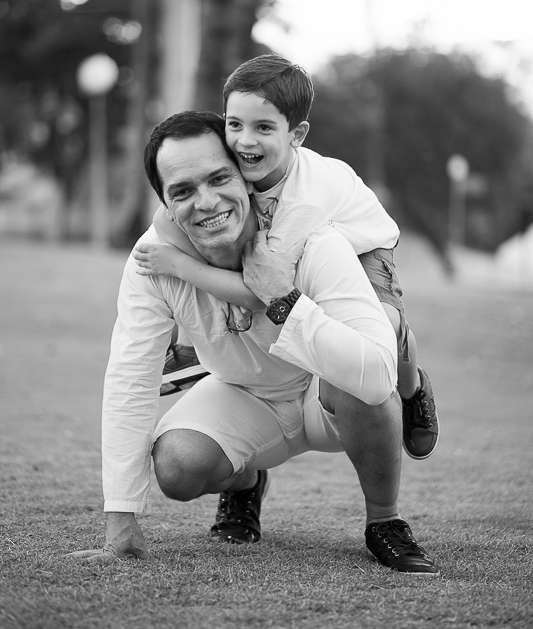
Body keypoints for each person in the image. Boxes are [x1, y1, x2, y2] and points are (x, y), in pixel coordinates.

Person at [73, 111, 438, 575]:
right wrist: (120, 522)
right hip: (244, 395)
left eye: (219, 177)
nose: (205, 202)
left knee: (358, 366)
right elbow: (130, 377)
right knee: (178, 468)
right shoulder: (154, 260)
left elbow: (376, 375)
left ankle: (384, 520)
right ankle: (245, 480)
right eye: (182, 191)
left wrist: (282, 299)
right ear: (164, 202)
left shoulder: (312, 237)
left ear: (246, 178)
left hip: (325, 397)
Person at [134, 55, 439, 461]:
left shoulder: (304, 198)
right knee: (229, 258)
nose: (244, 141)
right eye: (235, 124)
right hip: (303, 246)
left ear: (297, 134)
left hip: (360, 243)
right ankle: (196, 353)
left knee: (385, 324)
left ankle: (412, 388)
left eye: (263, 128)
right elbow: (172, 218)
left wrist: (178, 265)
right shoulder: (239, 166)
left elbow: (258, 289)